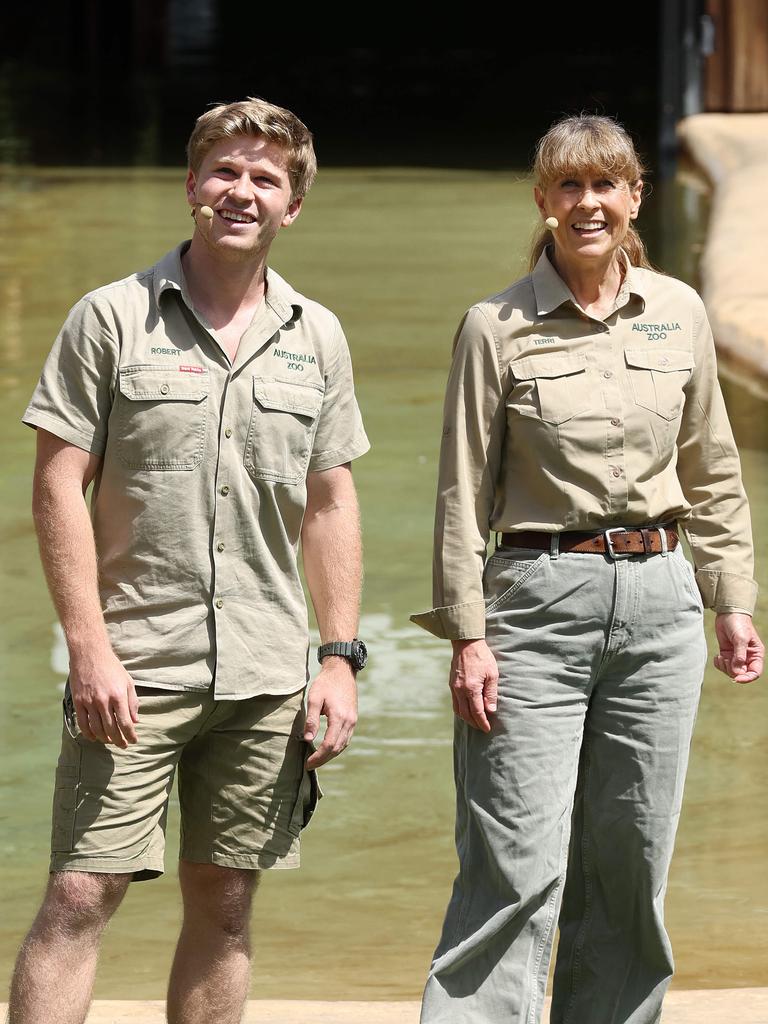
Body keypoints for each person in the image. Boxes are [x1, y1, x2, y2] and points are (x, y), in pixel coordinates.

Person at [9, 97, 369, 1024]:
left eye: (266, 178)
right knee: (82, 894)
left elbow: (329, 502)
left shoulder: (318, 335)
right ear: (191, 186)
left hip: (264, 671)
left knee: (227, 901)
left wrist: (339, 658)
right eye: (225, 171)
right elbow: (57, 488)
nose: (241, 191)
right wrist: (88, 647)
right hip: (131, 665)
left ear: (293, 206)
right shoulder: (110, 318)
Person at [411, 114, 764, 1024]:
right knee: (515, 864)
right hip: (531, 607)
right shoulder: (495, 327)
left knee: (633, 863)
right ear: (543, 201)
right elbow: (460, 494)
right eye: (568, 186)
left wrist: (733, 602)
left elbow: (712, 468)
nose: (587, 203)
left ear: (635, 195)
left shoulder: (680, 312)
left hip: (660, 606)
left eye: (605, 184)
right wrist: (467, 635)